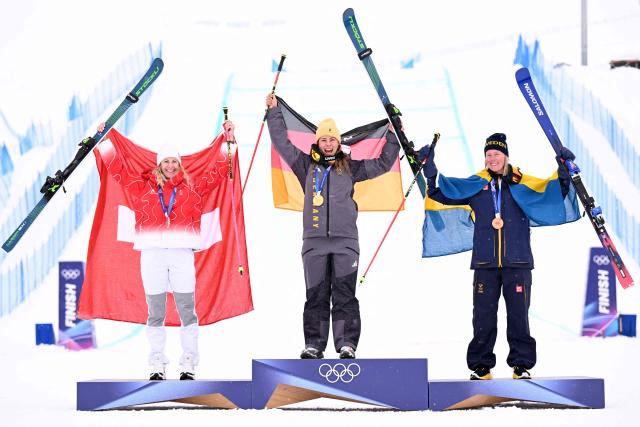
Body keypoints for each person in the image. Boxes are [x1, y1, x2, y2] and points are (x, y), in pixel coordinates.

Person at [420, 132, 576, 380]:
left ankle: (521, 366)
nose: (492, 159)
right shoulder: (476, 185)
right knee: (482, 317)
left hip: (518, 262)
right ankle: (481, 367)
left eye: (496, 154)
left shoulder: (521, 182)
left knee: (518, 316)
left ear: (505, 156)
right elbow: (441, 193)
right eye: (488, 155)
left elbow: (553, 193)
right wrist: (430, 170)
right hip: (485, 262)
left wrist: (563, 170)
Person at [96, 120, 236, 380]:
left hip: (182, 253)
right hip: (152, 254)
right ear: (159, 165)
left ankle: (188, 363)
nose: (170, 166)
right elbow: (116, 169)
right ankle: (156, 362)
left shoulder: (193, 188)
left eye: (174, 162)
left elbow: (219, 171)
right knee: (155, 311)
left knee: (186, 309)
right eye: (166, 162)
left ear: (179, 165)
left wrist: (229, 140)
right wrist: (103, 139)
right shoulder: (143, 188)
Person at [266, 92, 400, 359]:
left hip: (345, 242)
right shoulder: (305, 165)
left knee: (344, 295)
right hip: (314, 242)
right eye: (324, 139)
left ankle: (346, 344)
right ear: (318, 141)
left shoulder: (350, 167)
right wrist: (273, 112)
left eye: (332, 140)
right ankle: (314, 345)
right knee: (315, 295)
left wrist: (394, 134)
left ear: (339, 143)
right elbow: (282, 142)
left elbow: (384, 164)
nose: (328, 144)